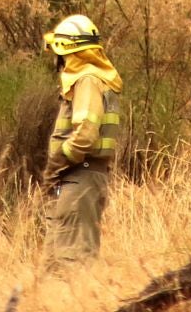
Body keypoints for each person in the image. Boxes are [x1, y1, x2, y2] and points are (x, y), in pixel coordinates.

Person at [41, 14, 122, 264]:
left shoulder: (86, 80)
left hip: (80, 176)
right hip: (79, 178)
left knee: (71, 261)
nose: (57, 59)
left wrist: (56, 163)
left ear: (68, 51)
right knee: (56, 260)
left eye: (59, 52)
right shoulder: (91, 79)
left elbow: (86, 135)